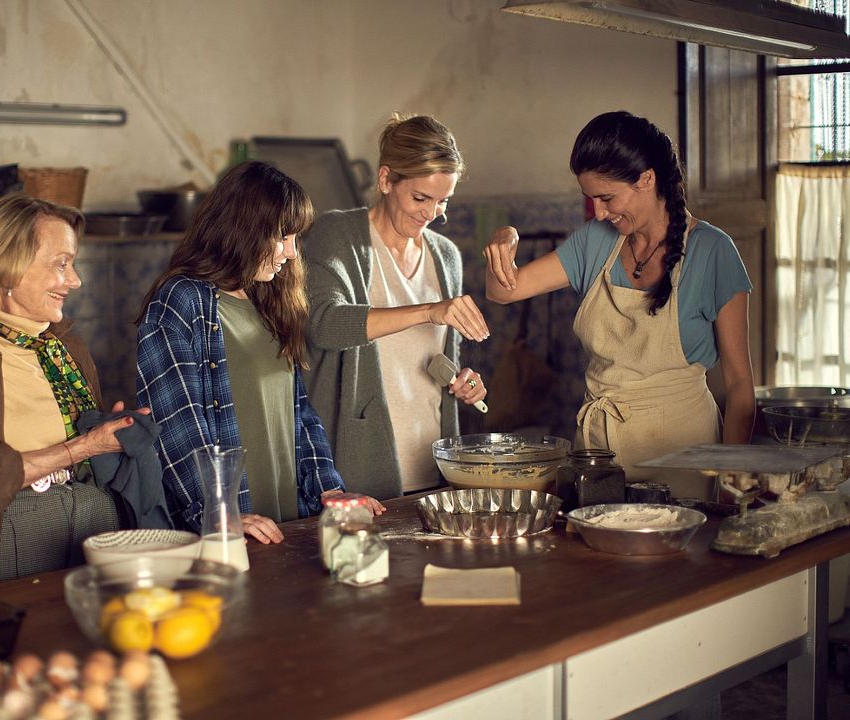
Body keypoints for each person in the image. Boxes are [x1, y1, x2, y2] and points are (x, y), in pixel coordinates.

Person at [485, 110, 755, 497]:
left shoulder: (713, 251)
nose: (599, 212)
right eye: (591, 199)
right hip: (599, 456)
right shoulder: (595, 242)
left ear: (646, 179)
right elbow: (502, 291)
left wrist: (732, 480)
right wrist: (505, 236)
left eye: (607, 197)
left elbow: (740, 383)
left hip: (684, 457)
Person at [136, 161, 384, 545]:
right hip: (228, 529)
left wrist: (329, 490)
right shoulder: (182, 300)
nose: (292, 252)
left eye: (295, 238)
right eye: (282, 237)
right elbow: (176, 427)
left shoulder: (270, 298)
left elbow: (299, 411)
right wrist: (221, 513)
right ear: (244, 228)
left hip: (286, 521)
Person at [0, 193, 150, 586]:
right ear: (9, 265)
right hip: (13, 534)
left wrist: (112, 433)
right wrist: (84, 447)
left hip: (97, 520)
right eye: (61, 264)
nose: (75, 280)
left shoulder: (66, 347)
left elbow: (91, 451)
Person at [303, 114, 489, 500]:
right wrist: (428, 311)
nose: (431, 214)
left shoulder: (446, 256)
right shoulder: (337, 235)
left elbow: (438, 362)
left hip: (435, 467)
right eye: (420, 198)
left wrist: (464, 383)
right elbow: (323, 325)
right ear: (386, 180)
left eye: (442, 201)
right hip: (357, 471)